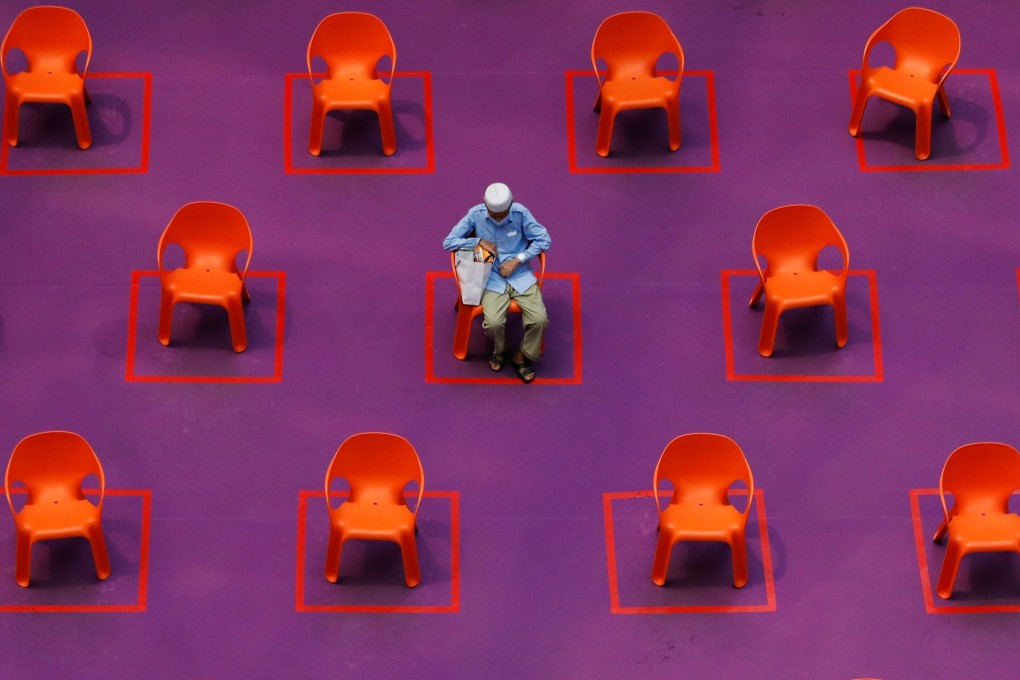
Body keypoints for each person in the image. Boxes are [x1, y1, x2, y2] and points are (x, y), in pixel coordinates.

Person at [443, 183, 551, 384]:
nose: (499, 219)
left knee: (540, 319)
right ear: (485, 205)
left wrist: (518, 258)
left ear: (511, 204)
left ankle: (523, 353)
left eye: (503, 214)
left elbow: (544, 240)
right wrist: (477, 242)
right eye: (494, 215)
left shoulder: (522, 214)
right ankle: (501, 349)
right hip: (490, 277)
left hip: (521, 276)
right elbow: (448, 242)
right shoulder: (475, 215)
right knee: (492, 323)